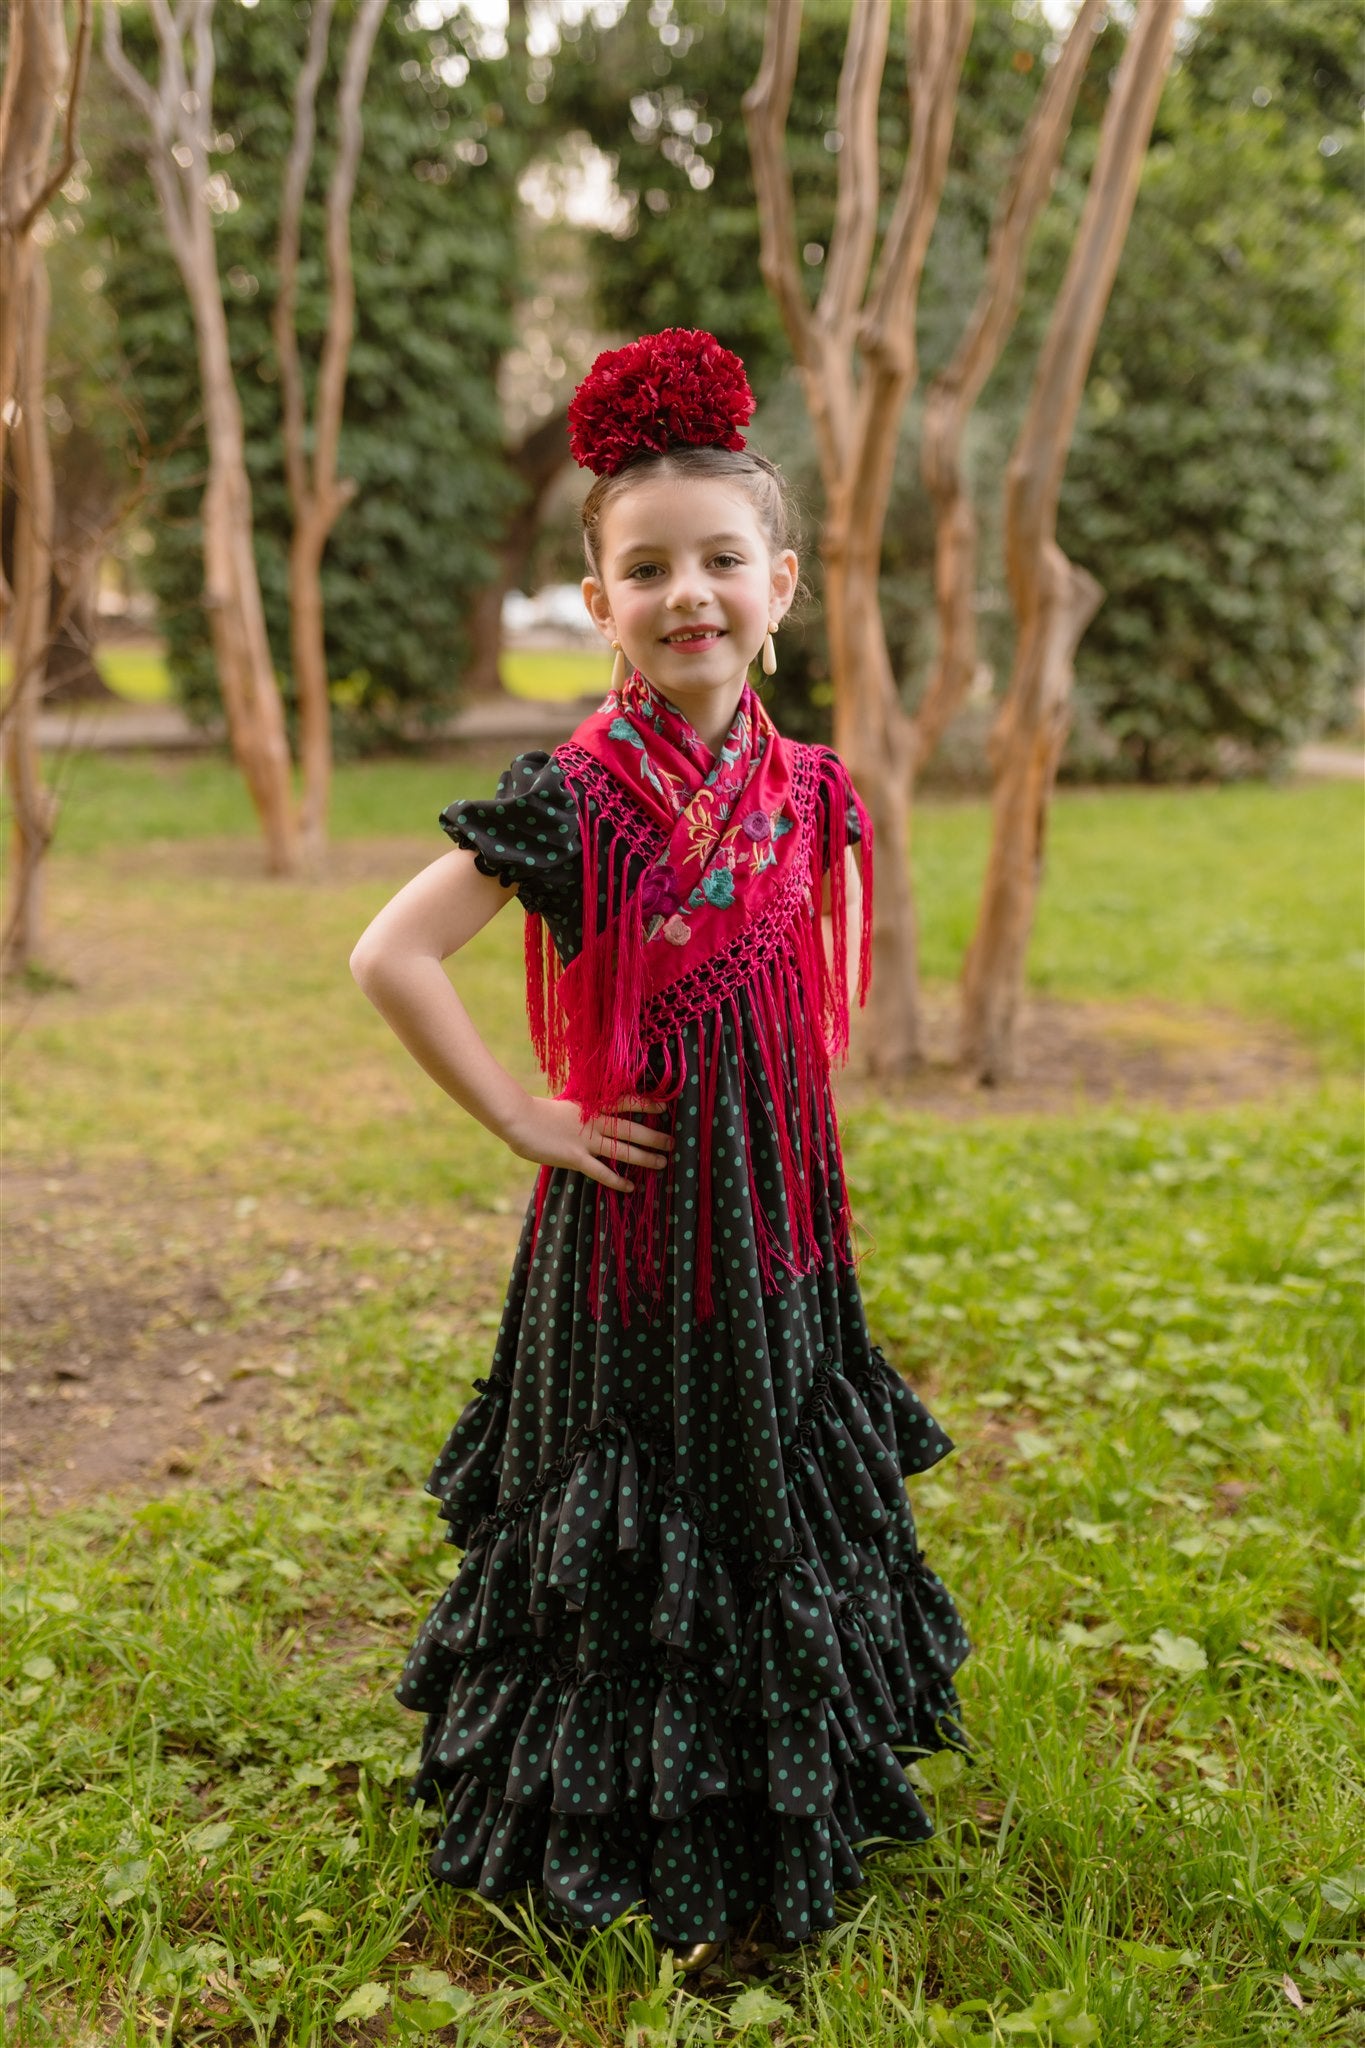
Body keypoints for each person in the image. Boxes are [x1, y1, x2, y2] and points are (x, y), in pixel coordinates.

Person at [350, 329, 968, 1970]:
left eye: (719, 561)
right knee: (625, 1520)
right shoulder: (569, 794)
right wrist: (521, 1112)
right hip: (621, 1245)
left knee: (766, 1494)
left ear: (781, 585)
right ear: (599, 595)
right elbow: (389, 956)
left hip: (771, 1234)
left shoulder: (811, 789)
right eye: (646, 569)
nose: (686, 593)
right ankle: (598, 1822)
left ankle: (777, 1795)